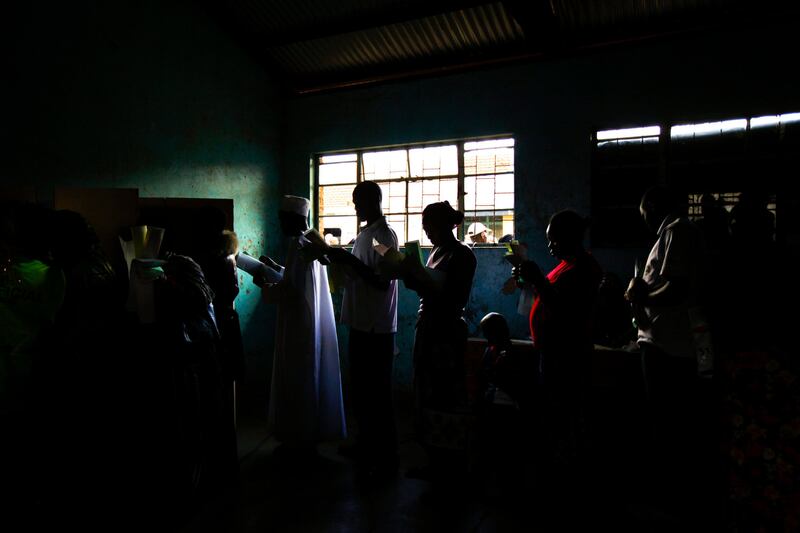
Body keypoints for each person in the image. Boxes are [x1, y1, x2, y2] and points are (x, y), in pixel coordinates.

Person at [624, 185, 713, 523]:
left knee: (668, 422)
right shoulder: (673, 235)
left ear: (652, 207)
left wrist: (639, 296)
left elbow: (676, 289)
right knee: (668, 421)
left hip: (669, 346)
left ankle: (670, 502)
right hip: (665, 342)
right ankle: (672, 498)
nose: (643, 217)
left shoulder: (678, 232)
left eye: (643, 210)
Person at [512, 209, 602, 480]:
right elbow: (550, 296)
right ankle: (557, 466)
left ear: (570, 238)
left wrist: (538, 279)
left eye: (554, 240)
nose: (550, 246)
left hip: (568, 355)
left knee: (565, 413)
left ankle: (566, 474)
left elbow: (567, 312)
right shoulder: (567, 265)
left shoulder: (585, 269)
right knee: (555, 412)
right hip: (552, 352)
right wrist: (531, 282)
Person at [260, 195, 346, 456]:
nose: (280, 224)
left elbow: (292, 289)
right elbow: (299, 278)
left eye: (282, 219)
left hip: (299, 322)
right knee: (308, 375)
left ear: (292, 218)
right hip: (310, 321)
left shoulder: (299, 245)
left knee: (298, 378)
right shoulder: (312, 241)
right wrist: (278, 268)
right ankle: (305, 435)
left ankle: (298, 438)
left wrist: (266, 286)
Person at [325, 181, 399, 476]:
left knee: (376, 392)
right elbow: (361, 272)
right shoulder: (366, 236)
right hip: (362, 323)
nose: (355, 207)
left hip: (375, 327)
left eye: (359, 202)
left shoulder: (382, 237)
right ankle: (367, 442)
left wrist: (348, 261)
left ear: (374, 201)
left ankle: (383, 450)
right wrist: (339, 261)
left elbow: (383, 280)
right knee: (363, 390)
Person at [403, 201, 477, 480]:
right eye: (424, 224)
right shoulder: (436, 251)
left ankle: (451, 466)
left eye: (430, 224)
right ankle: (434, 459)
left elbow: (453, 299)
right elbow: (430, 290)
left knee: (445, 395)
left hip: (445, 331)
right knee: (427, 392)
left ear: (449, 225)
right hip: (429, 327)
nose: (426, 229)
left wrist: (419, 283)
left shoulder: (462, 254)